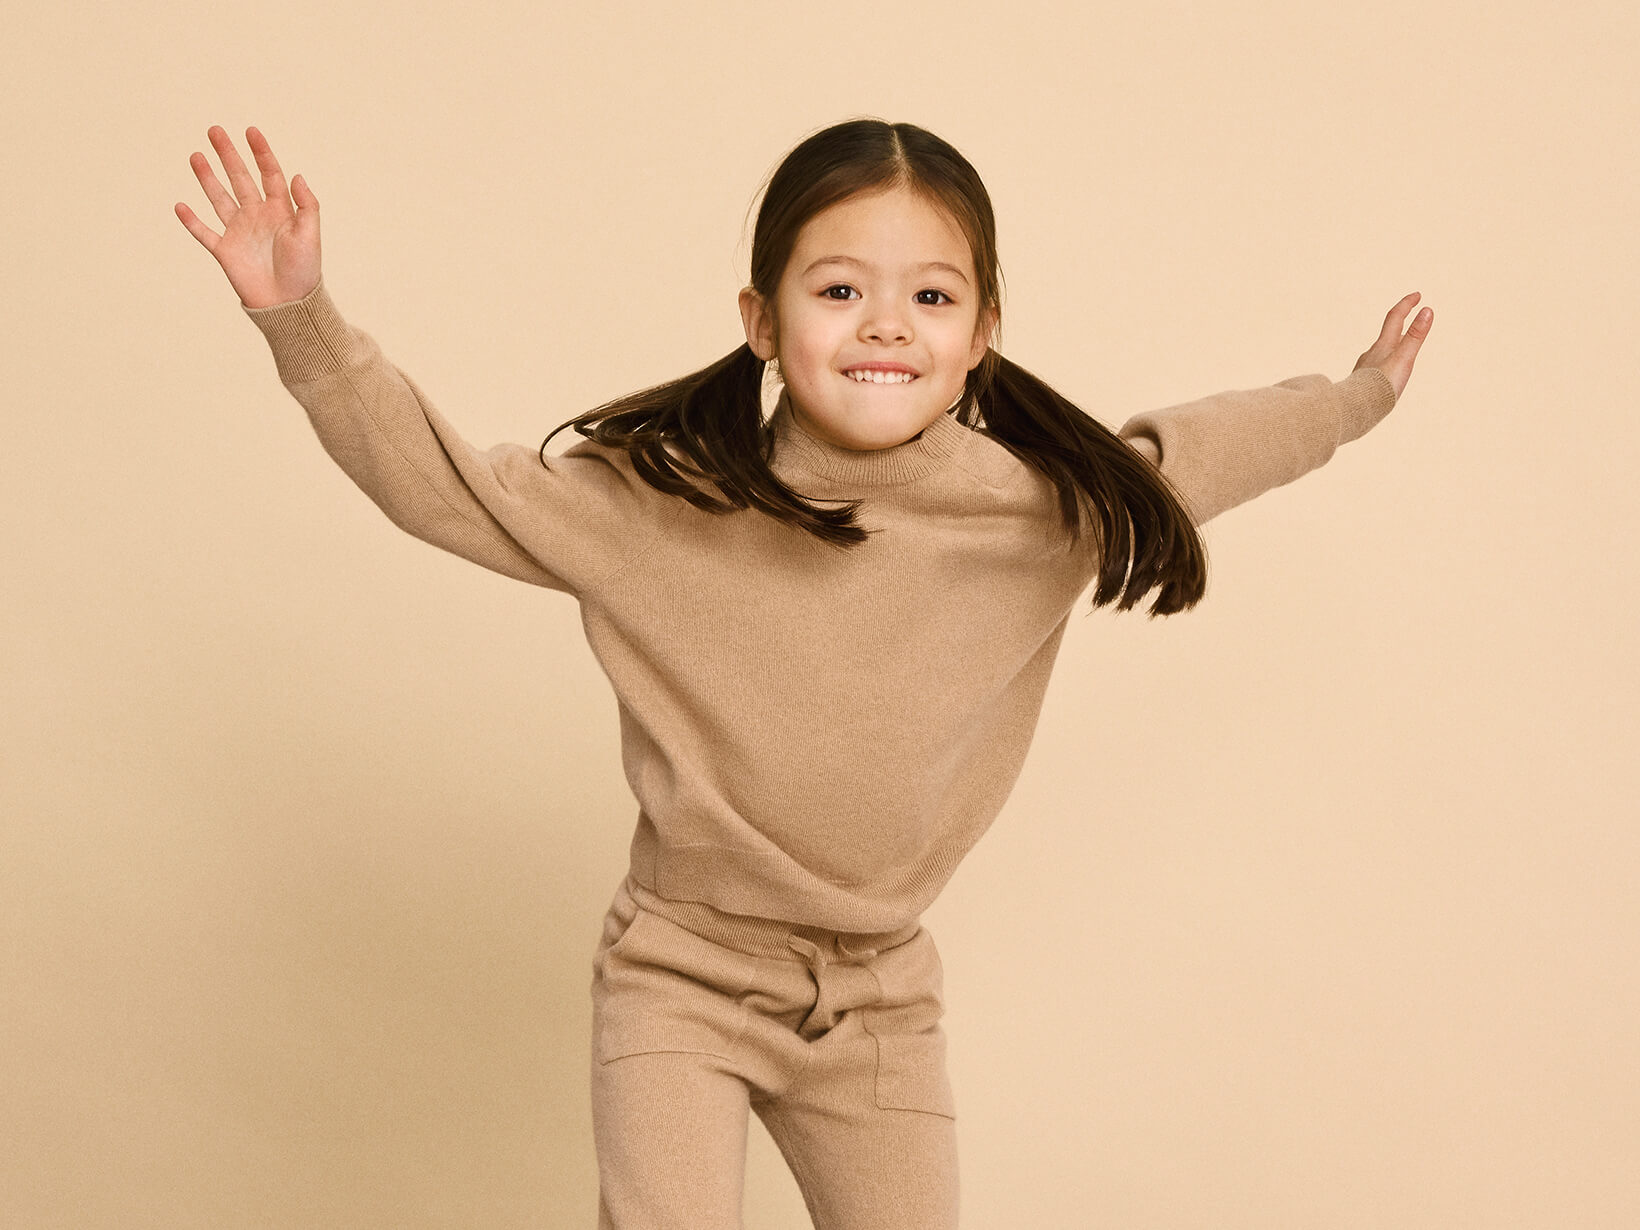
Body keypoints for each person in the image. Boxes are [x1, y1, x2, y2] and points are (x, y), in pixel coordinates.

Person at [176, 118, 1433, 1230]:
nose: (886, 323)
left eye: (932, 299)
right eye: (839, 288)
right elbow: (444, 488)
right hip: (680, 978)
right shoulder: (664, 503)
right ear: (762, 321)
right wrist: (303, 323)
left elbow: (1201, 449)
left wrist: (1357, 395)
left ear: (983, 334)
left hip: (878, 1003)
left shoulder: (1038, 512)